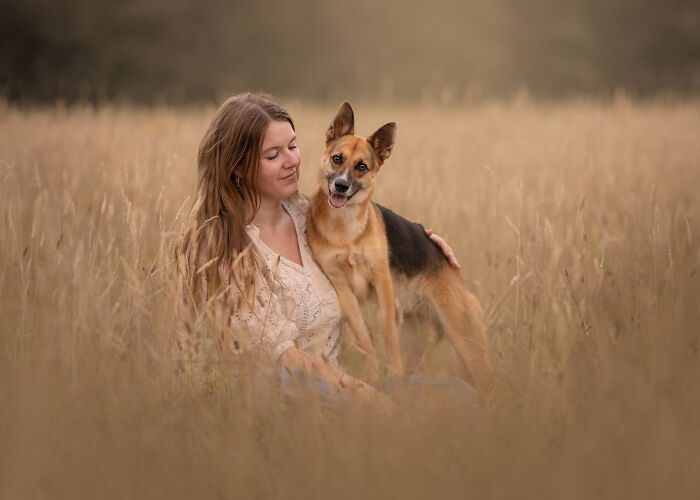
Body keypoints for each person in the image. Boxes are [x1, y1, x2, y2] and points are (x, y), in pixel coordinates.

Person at [174, 93, 475, 416]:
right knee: (288, 379)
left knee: (456, 394)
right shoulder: (219, 245)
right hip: (264, 402)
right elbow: (283, 358)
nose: (291, 160)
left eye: (293, 145)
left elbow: (373, 226)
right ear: (236, 168)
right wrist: (370, 399)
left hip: (336, 394)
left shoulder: (312, 215)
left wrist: (426, 244)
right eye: (273, 155)